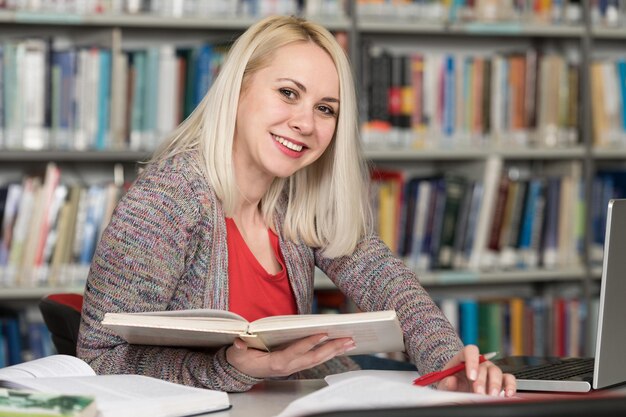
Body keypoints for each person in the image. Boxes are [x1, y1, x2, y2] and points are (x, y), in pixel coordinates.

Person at [77, 15, 516, 396]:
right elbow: (100, 362)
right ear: (240, 87)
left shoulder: (298, 196)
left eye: (326, 109)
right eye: (288, 93)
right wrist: (228, 369)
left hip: (309, 396)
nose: (306, 123)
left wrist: (450, 366)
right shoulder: (168, 198)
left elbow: (388, 283)